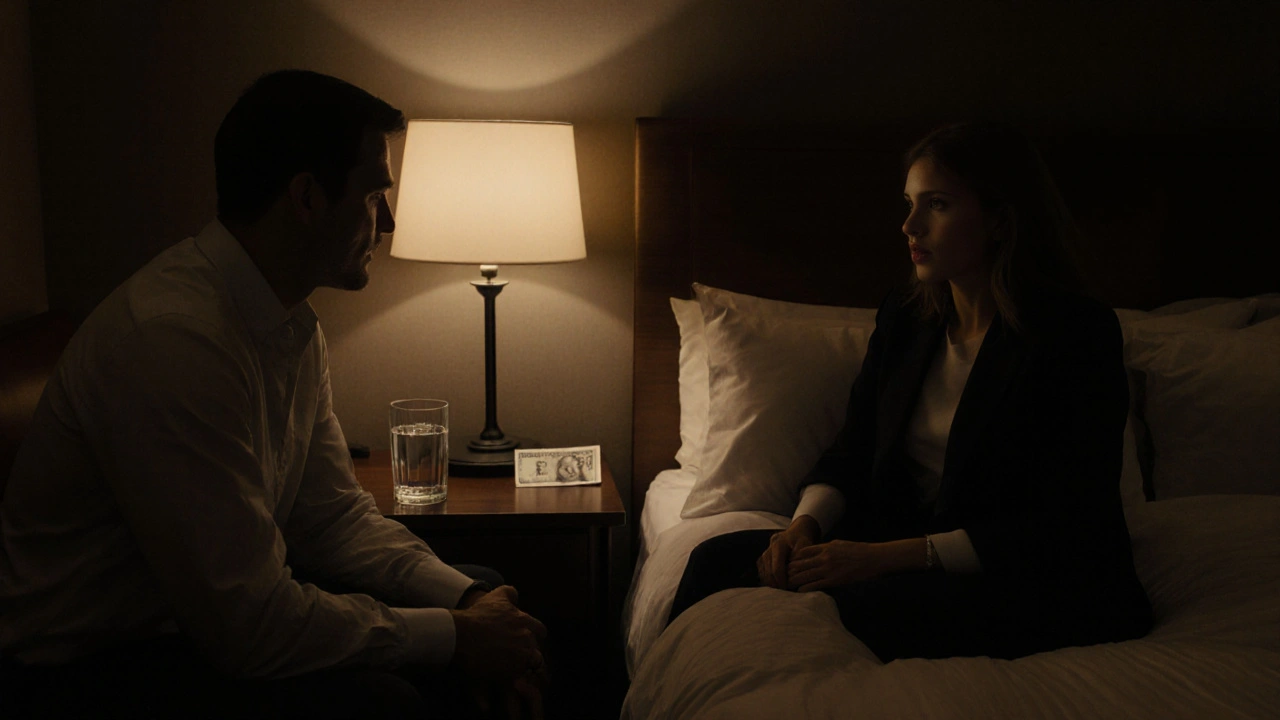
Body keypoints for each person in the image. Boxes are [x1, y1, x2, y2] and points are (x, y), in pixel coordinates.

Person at [0, 70, 547, 719]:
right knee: (384, 700)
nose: (390, 221)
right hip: (86, 664)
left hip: (192, 627)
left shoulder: (285, 326)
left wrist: (467, 606)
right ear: (309, 198)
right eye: (375, 195)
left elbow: (332, 519)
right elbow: (248, 630)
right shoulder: (177, 342)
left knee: (486, 593)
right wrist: (456, 636)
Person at [668, 123, 1153, 662]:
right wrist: (804, 527)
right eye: (909, 203)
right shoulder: (907, 318)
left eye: (937, 205)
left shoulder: (1075, 334)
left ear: (999, 219)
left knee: (876, 606)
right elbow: (853, 449)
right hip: (895, 542)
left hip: (1024, 570)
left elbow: (1065, 520)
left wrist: (883, 558)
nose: (909, 225)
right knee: (712, 559)